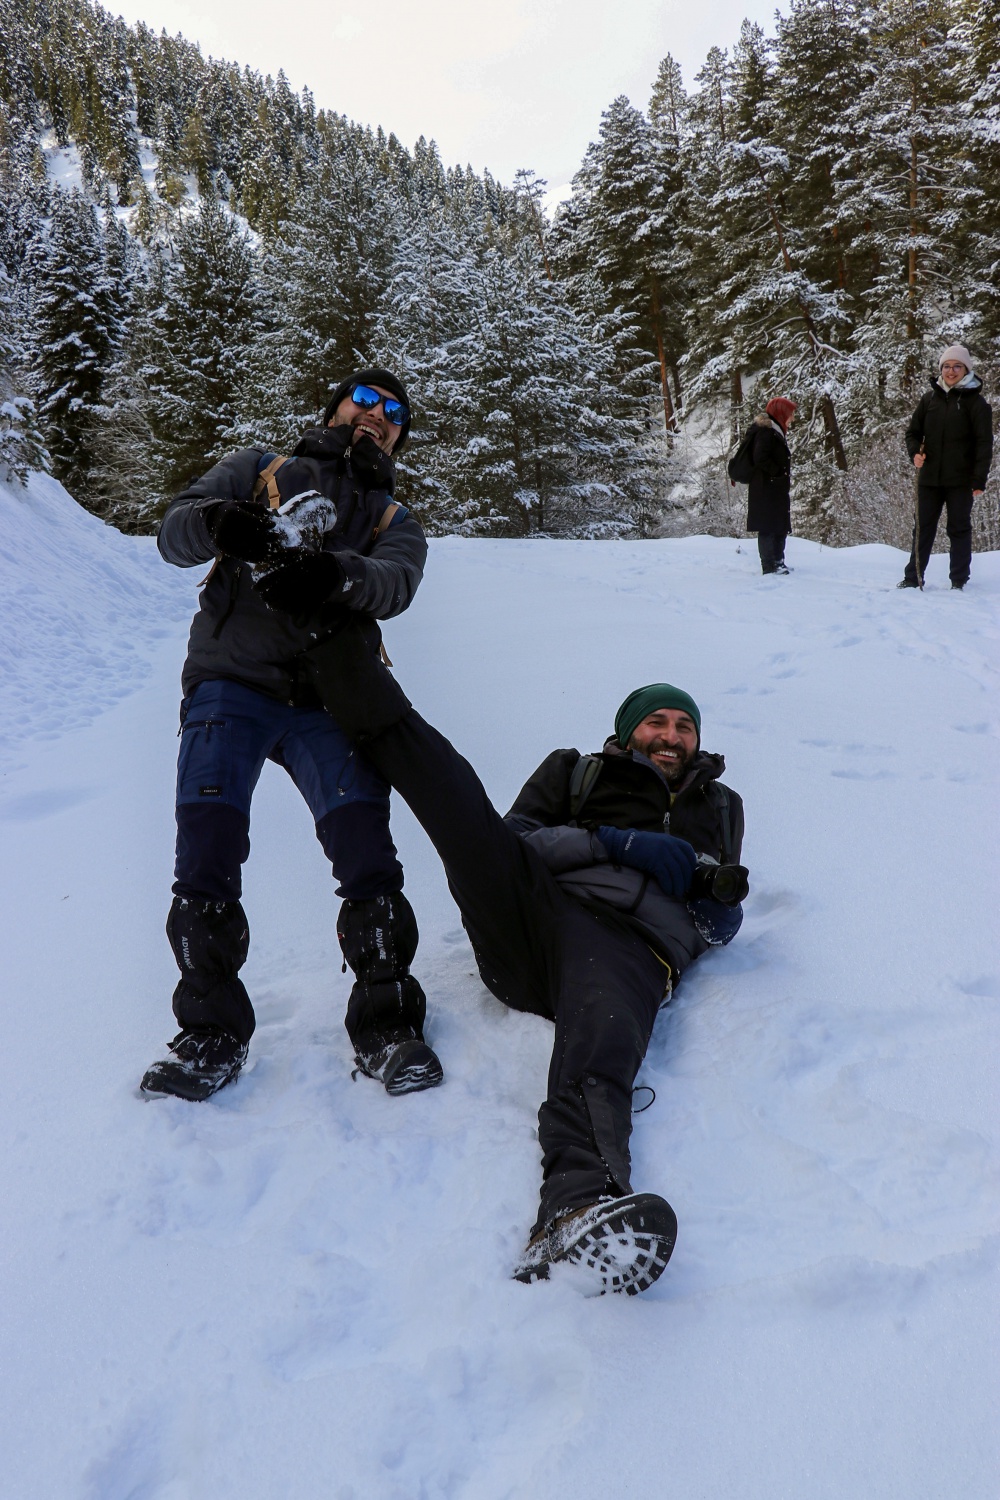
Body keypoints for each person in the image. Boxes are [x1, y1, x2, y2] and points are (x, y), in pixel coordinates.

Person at [296, 621, 747, 1296]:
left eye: (685, 726)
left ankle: (577, 1203)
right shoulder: (576, 769)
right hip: (534, 912)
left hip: (628, 943)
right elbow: (519, 841)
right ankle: (348, 673)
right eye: (657, 721)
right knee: (462, 813)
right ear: (628, 733)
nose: (673, 736)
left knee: (602, 1041)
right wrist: (615, 846)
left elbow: (721, 915)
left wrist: (707, 901)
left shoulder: (722, 804)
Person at [141, 370, 443, 1103]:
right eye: (364, 400)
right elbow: (172, 535)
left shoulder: (394, 517)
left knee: (367, 854)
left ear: (400, 434)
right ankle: (210, 1033)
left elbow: (393, 585)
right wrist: (220, 521)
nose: (377, 416)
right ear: (335, 407)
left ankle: (386, 1024)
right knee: (205, 853)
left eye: (393, 412)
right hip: (230, 682)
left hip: (327, 698)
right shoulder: (256, 468)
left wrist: (330, 573)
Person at [898, 344, 993, 590]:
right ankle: (913, 578)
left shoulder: (977, 403)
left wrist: (979, 479)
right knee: (922, 529)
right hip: (929, 478)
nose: (951, 371)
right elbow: (913, 433)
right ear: (941, 369)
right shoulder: (929, 399)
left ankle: (958, 580)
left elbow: (984, 444)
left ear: (966, 369)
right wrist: (914, 454)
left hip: (961, 479)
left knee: (958, 528)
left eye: (957, 366)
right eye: (947, 366)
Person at [747, 397, 796, 575]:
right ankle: (769, 566)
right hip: (765, 489)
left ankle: (778, 561)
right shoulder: (766, 432)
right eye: (790, 414)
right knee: (768, 527)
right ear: (781, 413)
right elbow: (760, 458)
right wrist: (777, 473)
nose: (792, 418)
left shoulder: (776, 431)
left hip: (775, 489)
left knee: (779, 525)